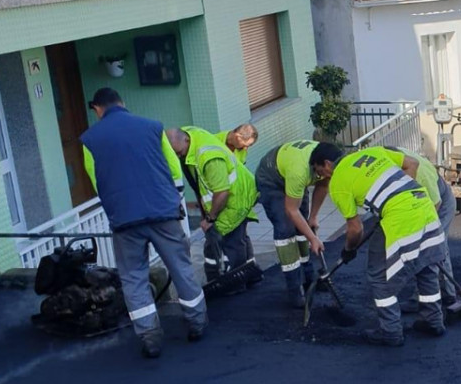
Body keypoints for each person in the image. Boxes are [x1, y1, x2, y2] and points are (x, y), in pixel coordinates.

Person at [80, 88, 206, 359]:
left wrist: (116, 208)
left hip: (125, 220)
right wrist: (175, 202)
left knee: (134, 278)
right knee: (181, 267)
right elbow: (174, 168)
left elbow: (96, 180)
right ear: (122, 103)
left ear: (97, 109)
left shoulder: (89, 140)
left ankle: (150, 338)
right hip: (163, 213)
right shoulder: (153, 127)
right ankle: (196, 323)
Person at [310, 143, 447, 347]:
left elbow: (355, 229)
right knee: (426, 264)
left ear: (327, 164)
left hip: (401, 218)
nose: (321, 177)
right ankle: (434, 320)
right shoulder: (371, 152)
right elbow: (412, 163)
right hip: (422, 204)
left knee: (378, 274)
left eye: (319, 171)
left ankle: (390, 331)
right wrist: (399, 194)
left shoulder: (338, 182)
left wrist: (348, 250)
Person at [167, 127, 259, 292]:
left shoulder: (209, 158)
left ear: (186, 141)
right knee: (234, 239)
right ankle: (247, 277)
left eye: (179, 153)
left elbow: (222, 192)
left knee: (230, 241)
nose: (178, 157)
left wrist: (210, 218)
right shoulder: (191, 135)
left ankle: (235, 284)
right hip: (234, 194)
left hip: (235, 200)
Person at [254, 140, 326, 307]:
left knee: (303, 228)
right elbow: (291, 211)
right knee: (285, 230)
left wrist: (313, 217)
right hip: (271, 180)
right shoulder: (299, 172)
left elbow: (323, 185)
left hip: (291, 174)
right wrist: (314, 239)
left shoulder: (327, 161)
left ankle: (309, 277)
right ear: (322, 165)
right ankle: (294, 288)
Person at [384, 146, 458, 306]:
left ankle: (448, 294)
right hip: (416, 203)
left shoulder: (421, 175)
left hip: (441, 203)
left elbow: (435, 204)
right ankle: (428, 292)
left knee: (435, 247)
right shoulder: (388, 162)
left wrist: (422, 234)